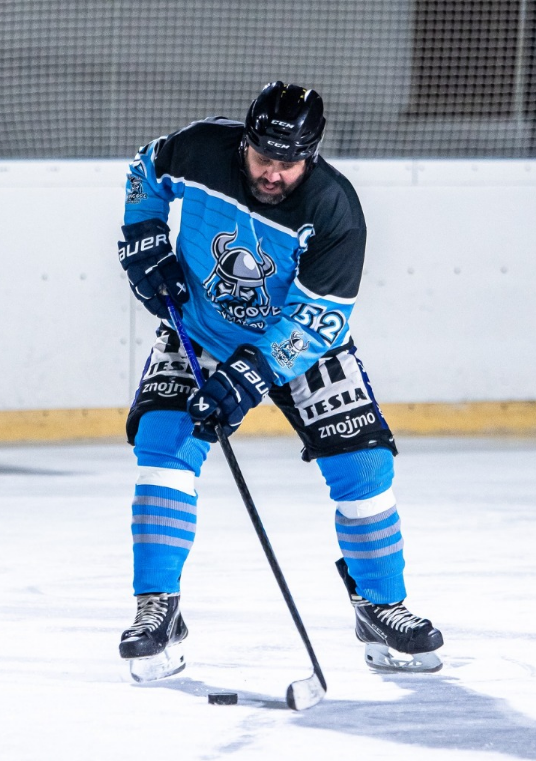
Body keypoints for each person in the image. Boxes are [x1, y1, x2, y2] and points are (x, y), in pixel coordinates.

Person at [117, 81, 443, 678]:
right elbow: (146, 168)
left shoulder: (334, 210)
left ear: (311, 156)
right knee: (163, 444)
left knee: (364, 465)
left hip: (300, 346)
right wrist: (144, 236)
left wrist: (249, 376)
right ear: (245, 141)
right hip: (203, 329)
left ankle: (379, 606)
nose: (272, 173)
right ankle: (158, 608)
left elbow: (317, 320)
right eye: (263, 156)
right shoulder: (201, 148)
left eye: (288, 163)